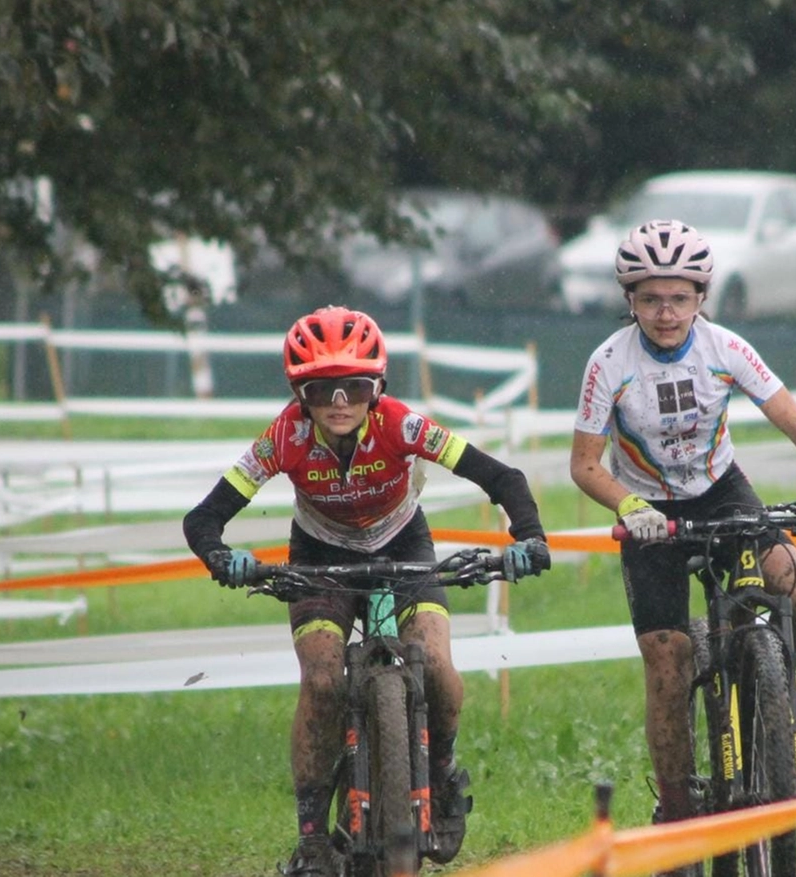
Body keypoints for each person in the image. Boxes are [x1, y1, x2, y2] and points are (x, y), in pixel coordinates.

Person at [183, 305, 551, 876]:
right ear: (299, 393)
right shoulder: (284, 437)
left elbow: (503, 478)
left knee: (437, 669)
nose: (338, 402)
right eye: (321, 389)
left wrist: (528, 537)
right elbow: (203, 518)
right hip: (319, 557)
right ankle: (311, 840)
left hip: (404, 545)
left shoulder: (401, 424)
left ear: (377, 387)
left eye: (354, 386)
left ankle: (445, 773)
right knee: (324, 679)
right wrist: (221, 557)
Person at [568, 220, 796, 836]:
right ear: (630, 301)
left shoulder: (725, 348)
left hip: (720, 491)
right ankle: (675, 811)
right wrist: (627, 508)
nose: (665, 312)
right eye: (650, 298)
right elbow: (586, 465)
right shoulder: (609, 364)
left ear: (702, 297)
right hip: (648, 510)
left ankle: (783, 688)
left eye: (679, 297)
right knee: (667, 659)